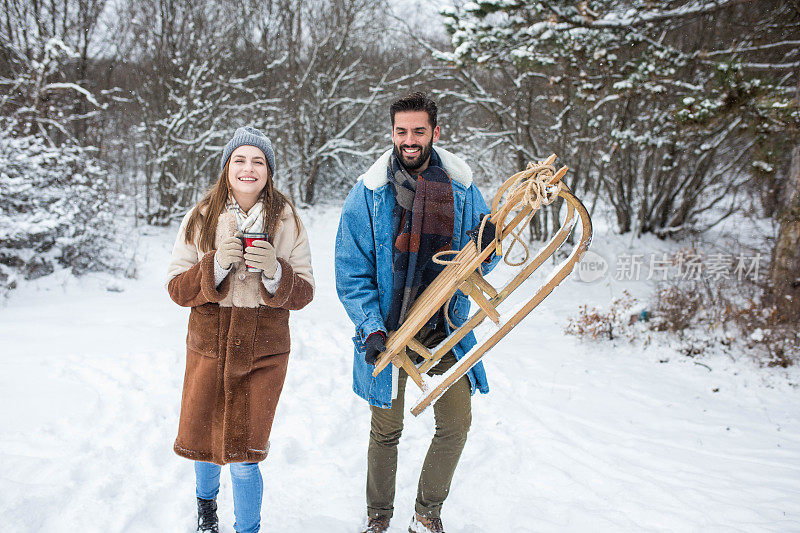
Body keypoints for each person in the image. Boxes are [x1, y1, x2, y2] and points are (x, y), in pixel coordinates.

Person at [335, 92, 500, 533]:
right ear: (392, 133)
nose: (410, 140)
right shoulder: (368, 196)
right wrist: (370, 329)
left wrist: (490, 244)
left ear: (434, 133)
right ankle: (378, 516)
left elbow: (482, 261)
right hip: (388, 332)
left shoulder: (462, 188)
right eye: (402, 131)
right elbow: (351, 272)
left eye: (419, 132)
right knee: (386, 430)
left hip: (445, 327)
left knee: (456, 423)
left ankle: (427, 514)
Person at [166, 126, 314, 533]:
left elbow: (304, 293)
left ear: (269, 171)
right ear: (227, 166)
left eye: (258, 161)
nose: (248, 169)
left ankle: (247, 530)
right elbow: (177, 288)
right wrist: (212, 266)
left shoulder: (288, 220)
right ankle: (206, 510)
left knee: (246, 455)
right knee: (205, 441)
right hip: (210, 345)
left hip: (262, 350)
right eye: (240, 160)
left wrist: (274, 271)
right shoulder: (200, 216)